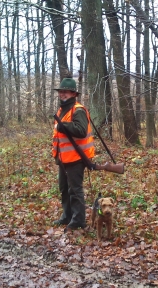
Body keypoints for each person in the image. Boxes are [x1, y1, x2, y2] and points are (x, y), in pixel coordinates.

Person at [51, 78, 95, 231]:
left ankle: (78, 220)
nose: (62, 94)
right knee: (64, 188)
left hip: (76, 157)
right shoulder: (62, 109)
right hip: (63, 156)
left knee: (75, 189)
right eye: (61, 91)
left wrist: (63, 126)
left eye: (66, 91)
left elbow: (81, 131)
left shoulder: (78, 110)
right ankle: (67, 216)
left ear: (73, 93)